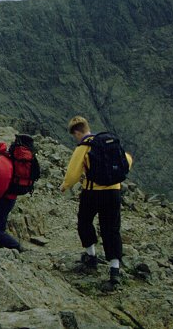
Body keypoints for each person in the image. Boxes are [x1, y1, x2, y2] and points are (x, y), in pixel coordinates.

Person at [60, 116, 134, 288]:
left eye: (75, 135)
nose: (76, 138)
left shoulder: (84, 146)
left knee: (84, 222)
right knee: (111, 229)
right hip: (114, 192)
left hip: (92, 193)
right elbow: (127, 160)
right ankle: (114, 271)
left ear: (78, 132)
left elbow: (73, 173)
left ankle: (91, 257)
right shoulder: (108, 142)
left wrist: (65, 185)